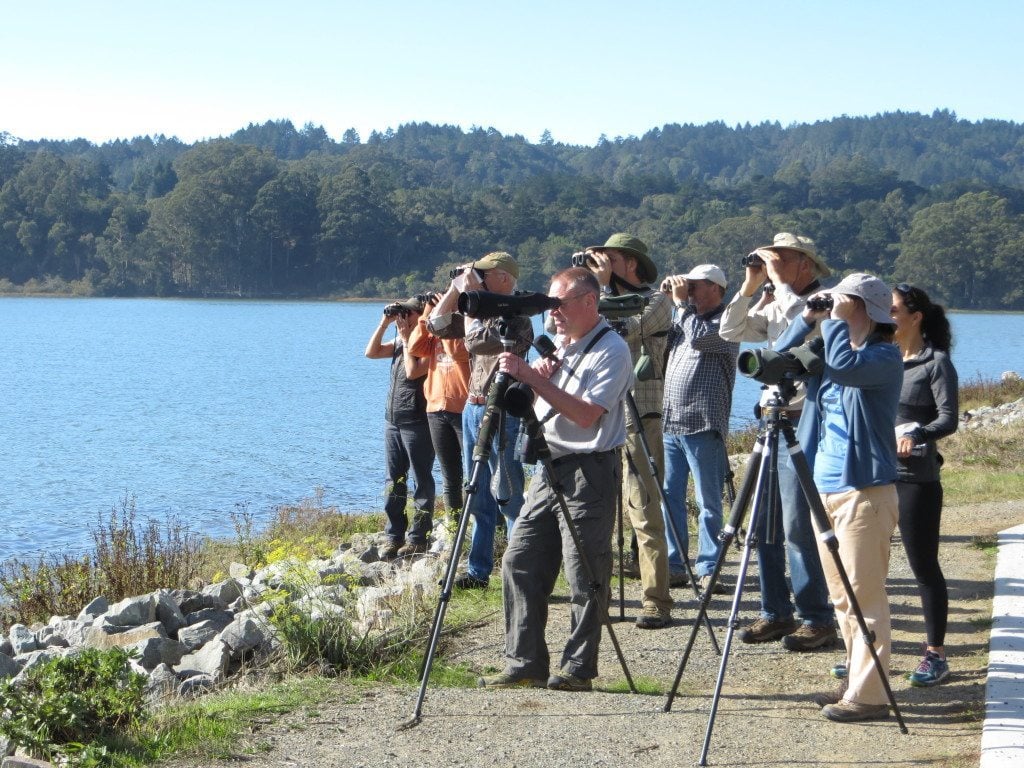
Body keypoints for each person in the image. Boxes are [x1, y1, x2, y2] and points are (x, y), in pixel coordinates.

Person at [478, 268, 633, 691]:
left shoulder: (612, 350)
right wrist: (536, 380)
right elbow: (544, 402)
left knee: (584, 571)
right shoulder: (562, 344)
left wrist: (530, 376)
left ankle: (579, 669)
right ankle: (525, 661)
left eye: (560, 304)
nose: (553, 313)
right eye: (549, 304)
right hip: (550, 466)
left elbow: (586, 415)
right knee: (520, 560)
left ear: (589, 301)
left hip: (590, 467)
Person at [776, 272, 903, 723]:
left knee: (865, 595)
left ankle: (869, 696)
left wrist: (833, 318)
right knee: (841, 598)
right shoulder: (832, 353)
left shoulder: (885, 357)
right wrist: (806, 318)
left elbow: (849, 368)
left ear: (863, 307)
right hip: (825, 488)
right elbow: (778, 361)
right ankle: (856, 677)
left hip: (864, 491)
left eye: (843, 300)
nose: (834, 305)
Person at [719, 232, 838, 652]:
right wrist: (750, 286)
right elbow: (731, 329)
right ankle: (775, 611)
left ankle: (816, 617)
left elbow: (801, 324)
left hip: (805, 421)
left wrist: (779, 286)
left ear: (805, 264)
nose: (773, 265)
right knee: (762, 525)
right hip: (772, 420)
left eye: (780, 259)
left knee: (796, 526)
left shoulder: (828, 303)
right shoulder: (775, 298)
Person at [428, 252, 533, 589]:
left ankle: (520, 572)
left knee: (508, 493)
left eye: (483, 275)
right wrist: (454, 289)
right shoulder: (478, 309)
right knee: (478, 495)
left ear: (504, 277)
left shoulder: (517, 315)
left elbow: (479, 341)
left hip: (502, 411)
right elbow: (436, 325)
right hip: (473, 407)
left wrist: (470, 303)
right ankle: (478, 571)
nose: (478, 279)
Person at [584, 233, 674, 629]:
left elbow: (625, 330)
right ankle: (596, 596)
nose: (601, 262)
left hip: (642, 417)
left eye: (610, 258)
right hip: (605, 413)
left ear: (631, 263)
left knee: (643, 510)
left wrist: (600, 288)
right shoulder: (602, 298)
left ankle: (655, 600)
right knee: (599, 510)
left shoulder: (657, 300)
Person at [891, 282, 959, 686]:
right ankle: (870, 649)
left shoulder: (936, 362)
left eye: (895, 310)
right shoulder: (880, 358)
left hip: (916, 479)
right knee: (869, 566)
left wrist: (915, 435)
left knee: (922, 566)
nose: (889, 315)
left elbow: (948, 419)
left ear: (915, 317)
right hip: (875, 475)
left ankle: (935, 654)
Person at [660, 265, 739, 595]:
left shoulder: (728, 322)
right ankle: (674, 563)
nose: (689, 289)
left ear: (716, 288)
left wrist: (680, 305)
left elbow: (699, 339)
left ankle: (710, 566)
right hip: (671, 421)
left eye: (696, 285)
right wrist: (666, 302)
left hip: (703, 422)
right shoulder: (683, 314)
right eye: (687, 284)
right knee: (670, 496)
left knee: (708, 501)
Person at [364, 297, 436, 558]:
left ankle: (419, 537)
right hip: (392, 420)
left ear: (421, 316)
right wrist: (385, 322)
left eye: (408, 313)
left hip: (419, 421)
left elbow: (412, 372)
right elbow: (370, 352)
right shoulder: (398, 342)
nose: (402, 318)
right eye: (400, 313)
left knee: (421, 481)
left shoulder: (431, 346)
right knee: (393, 481)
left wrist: (407, 339)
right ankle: (394, 535)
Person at [407, 293, 470, 516]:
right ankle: (455, 526)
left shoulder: (466, 327)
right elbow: (414, 347)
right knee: (449, 474)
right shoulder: (433, 330)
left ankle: (491, 526)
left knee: (475, 473)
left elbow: (456, 352)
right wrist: (426, 315)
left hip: (463, 409)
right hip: (436, 408)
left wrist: (445, 317)